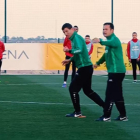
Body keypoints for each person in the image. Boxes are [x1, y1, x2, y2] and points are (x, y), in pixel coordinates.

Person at [61, 23, 104, 118]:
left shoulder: (76, 38)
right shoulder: (74, 38)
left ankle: (78, 112)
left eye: (67, 31)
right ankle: (105, 106)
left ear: (72, 29)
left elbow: (79, 50)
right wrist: (70, 60)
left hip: (84, 67)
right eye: (64, 32)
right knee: (87, 90)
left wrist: (69, 51)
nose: (65, 33)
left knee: (72, 89)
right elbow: (79, 53)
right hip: (87, 67)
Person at [93, 22, 128, 122]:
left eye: (106, 29)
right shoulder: (109, 42)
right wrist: (98, 63)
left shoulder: (114, 40)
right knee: (118, 95)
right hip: (116, 72)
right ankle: (123, 116)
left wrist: (100, 41)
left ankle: (106, 116)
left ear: (112, 30)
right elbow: (105, 55)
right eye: (103, 29)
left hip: (116, 72)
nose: (104, 31)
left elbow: (111, 43)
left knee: (109, 94)